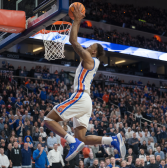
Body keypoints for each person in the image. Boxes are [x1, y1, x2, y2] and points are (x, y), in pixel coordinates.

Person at [43, 4, 124, 162]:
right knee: (82, 138)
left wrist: (77, 20)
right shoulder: (90, 60)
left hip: (80, 97)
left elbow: (73, 40)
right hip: (86, 101)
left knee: (48, 120)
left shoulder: (89, 58)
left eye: (91, 46)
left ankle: (72, 142)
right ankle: (112, 140)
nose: (88, 46)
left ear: (93, 52)